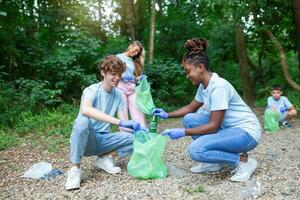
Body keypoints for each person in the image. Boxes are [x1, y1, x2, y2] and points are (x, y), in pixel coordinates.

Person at [153, 38, 262, 182]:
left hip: (246, 133)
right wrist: (167, 115)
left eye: (188, 71)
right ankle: (215, 162)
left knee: (196, 150)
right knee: (190, 119)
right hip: (230, 129)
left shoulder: (218, 87)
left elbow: (213, 126)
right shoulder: (204, 86)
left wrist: (182, 132)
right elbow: (191, 108)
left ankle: (243, 161)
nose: (187, 76)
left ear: (200, 68)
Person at [66, 55, 141, 190]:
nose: (117, 78)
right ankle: (75, 169)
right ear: (103, 72)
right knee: (82, 121)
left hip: (103, 140)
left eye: (119, 74)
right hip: (87, 139)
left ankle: (105, 157)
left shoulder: (118, 94)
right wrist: (119, 122)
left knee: (138, 137)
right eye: (113, 74)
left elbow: (123, 123)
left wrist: (136, 129)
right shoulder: (92, 90)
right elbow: (86, 110)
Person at [116, 41, 147, 128]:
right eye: (135, 50)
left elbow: (135, 78)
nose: (136, 53)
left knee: (139, 114)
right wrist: (126, 76)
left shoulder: (135, 61)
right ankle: (126, 137)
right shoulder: (118, 57)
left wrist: (139, 78)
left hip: (132, 90)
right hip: (120, 89)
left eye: (138, 52)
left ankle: (142, 134)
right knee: (123, 115)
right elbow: (114, 73)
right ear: (131, 46)